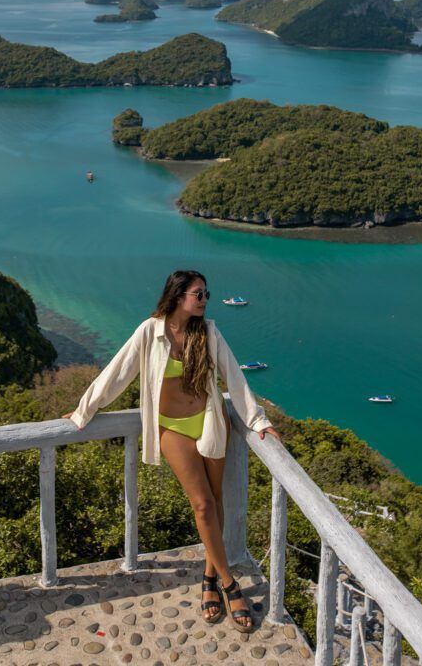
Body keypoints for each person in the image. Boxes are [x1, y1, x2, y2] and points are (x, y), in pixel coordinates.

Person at [63, 268, 280, 632]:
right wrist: (86, 409)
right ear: (178, 296)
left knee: (216, 501)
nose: (205, 299)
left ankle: (209, 580)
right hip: (172, 428)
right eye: (199, 294)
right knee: (201, 504)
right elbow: (118, 371)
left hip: (210, 420)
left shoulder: (208, 331)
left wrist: (257, 422)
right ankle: (229, 584)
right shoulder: (150, 331)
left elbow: (234, 379)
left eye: (207, 294)